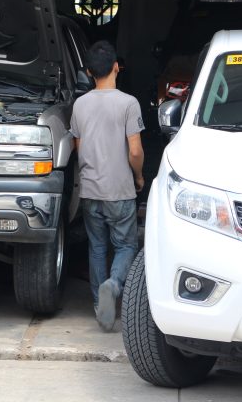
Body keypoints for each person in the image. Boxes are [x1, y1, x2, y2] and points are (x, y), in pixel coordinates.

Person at [70, 40, 145, 331]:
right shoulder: (128, 103)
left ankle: (100, 306)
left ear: (89, 72)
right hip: (119, 189)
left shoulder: (80, 104)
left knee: (97, 247)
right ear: (117, 67)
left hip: (91, 190)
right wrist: (138, 177)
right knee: (126, 245)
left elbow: (79, 146)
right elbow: (135, 151)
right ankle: (113, 286)